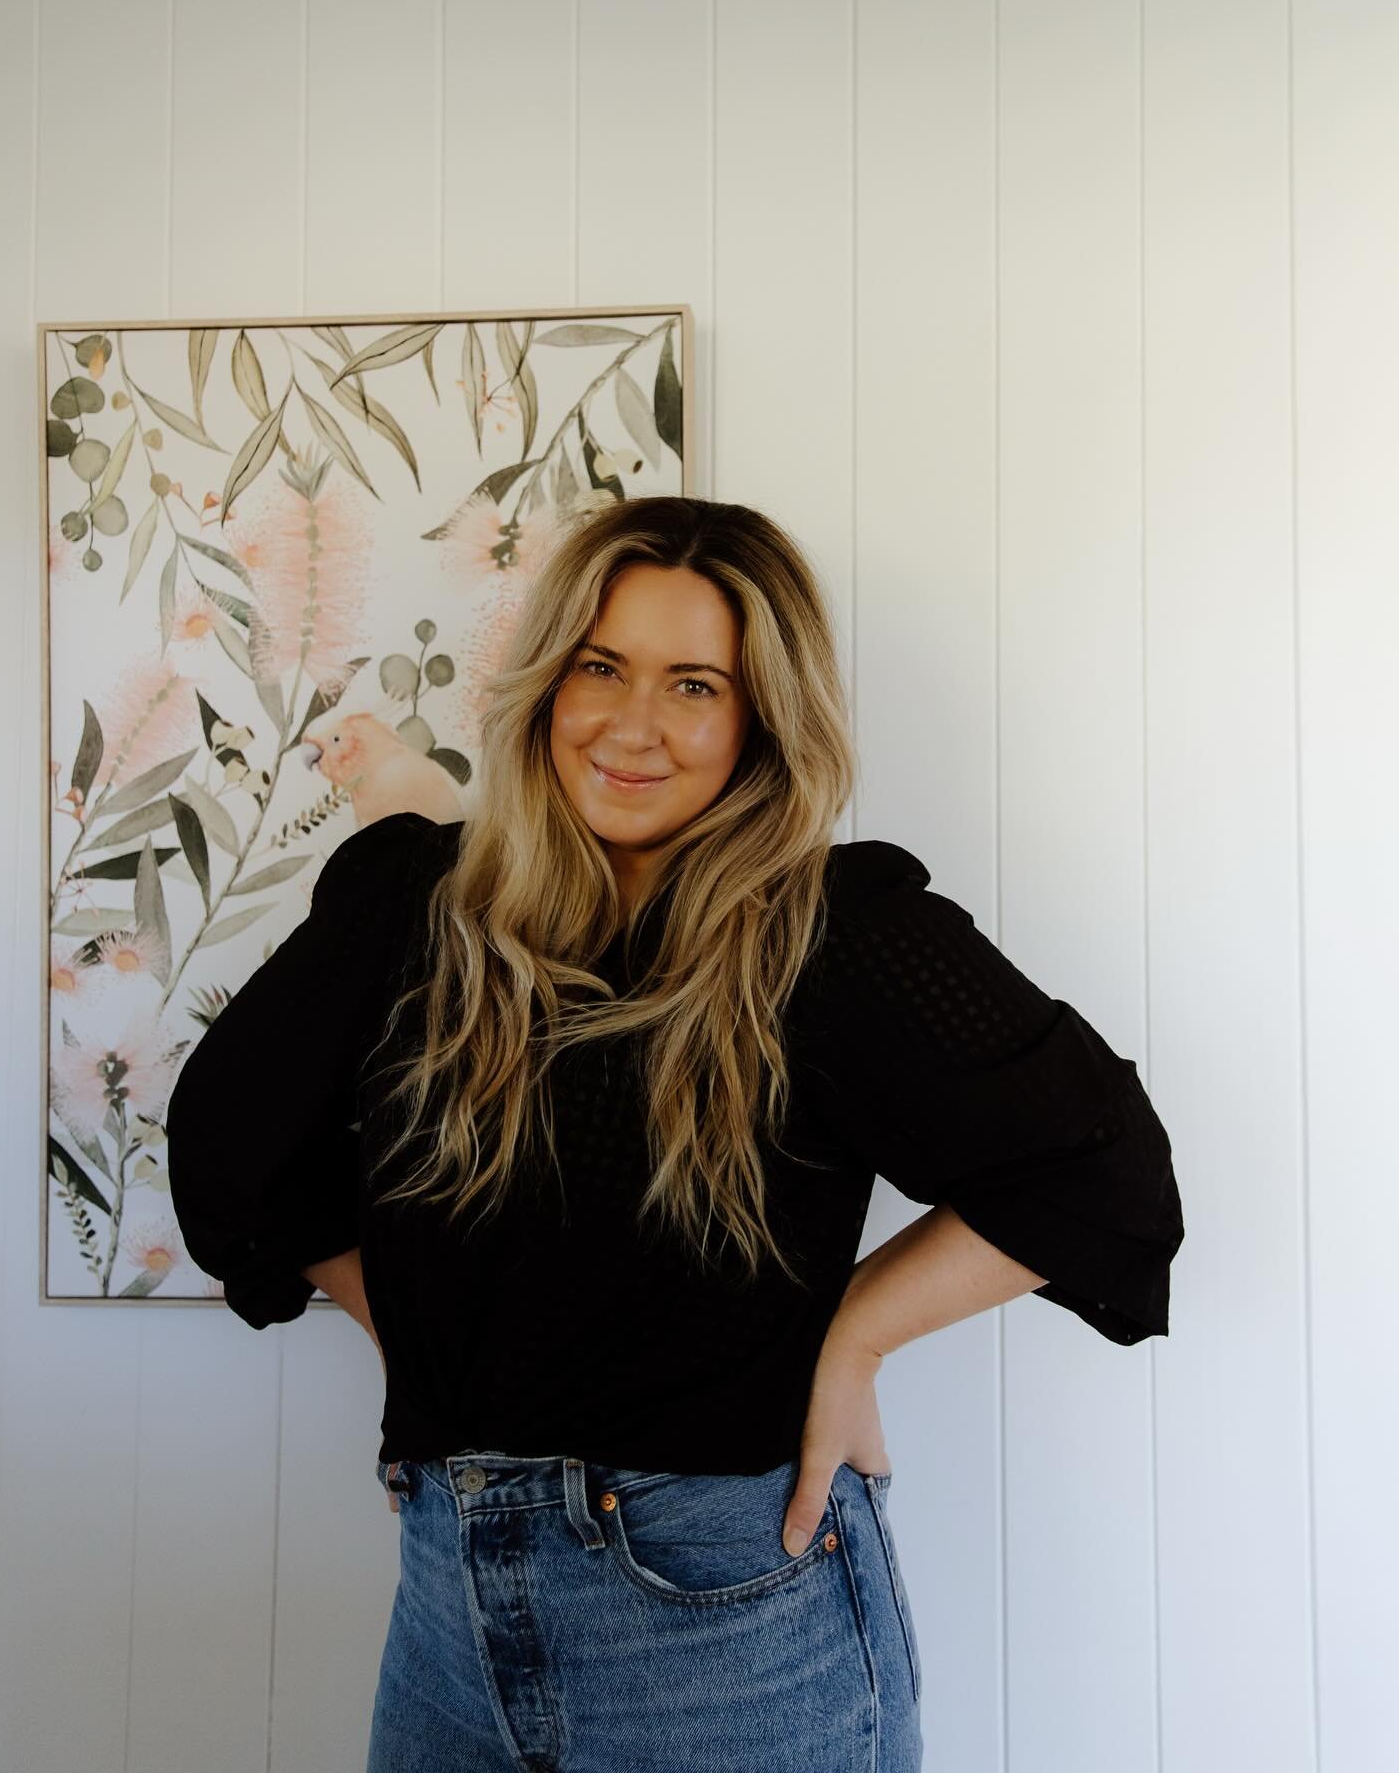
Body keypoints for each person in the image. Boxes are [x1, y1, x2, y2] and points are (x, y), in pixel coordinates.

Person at [165, 494, 1184, 1773]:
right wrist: (417, 1341)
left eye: (694, 686)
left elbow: (1106, 1174)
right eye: (601, 667)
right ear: (549, 682)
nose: (630, 725)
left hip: (730, 1621)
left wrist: (852, 1338)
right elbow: (232, 1149)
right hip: (446, 1614)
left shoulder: (835, 937)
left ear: (763, 720)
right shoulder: (421, 903)